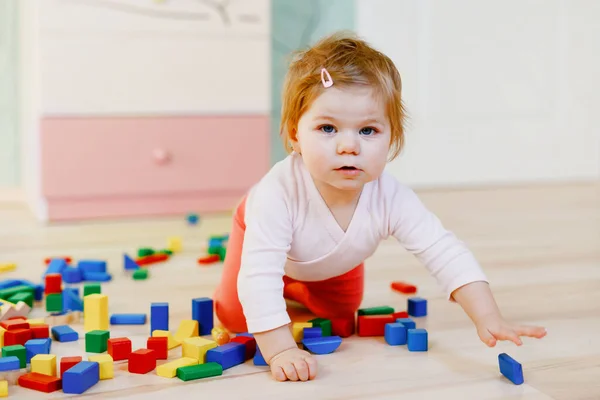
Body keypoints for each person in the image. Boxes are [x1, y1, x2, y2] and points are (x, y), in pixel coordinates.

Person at [212, 30, 547, 382]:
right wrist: (280, 348)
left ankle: (295, 288)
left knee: (340, 319)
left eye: (368, 131)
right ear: (296, 135)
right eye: (327, 128)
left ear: (392, 138)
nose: (348, 146)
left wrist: (488, 316)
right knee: (236, 315)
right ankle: (285, 287)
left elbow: (443, 250)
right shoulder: (276, 195)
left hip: (334, 260)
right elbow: (258, 272)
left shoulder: (391, 197)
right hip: (262, 241)